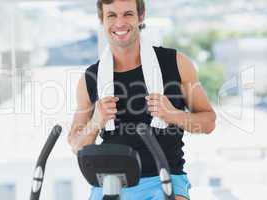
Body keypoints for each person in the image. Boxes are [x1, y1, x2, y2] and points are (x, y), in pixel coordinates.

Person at [68, 0, 216, 199]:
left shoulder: (177, 63)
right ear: (102, 20)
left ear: (141, 16)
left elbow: (208, 122)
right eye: (111, 15)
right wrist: (95, 122)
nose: (119, 23)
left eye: (127, 14)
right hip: (111, 181)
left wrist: (174, 115)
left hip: (165, 178)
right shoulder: (89, 79)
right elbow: (76, 145)